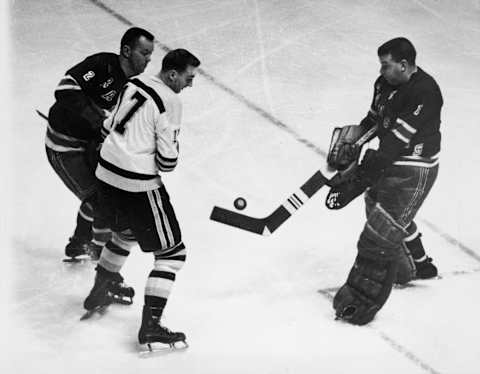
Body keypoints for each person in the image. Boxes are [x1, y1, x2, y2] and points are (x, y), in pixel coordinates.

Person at [83, 49, 201, 349]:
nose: (190, 85)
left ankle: (100, 290)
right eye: (188, 78)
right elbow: (168, 163)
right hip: (135, 184)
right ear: (172, 74)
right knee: (172, 255)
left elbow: (107, 126)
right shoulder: (170, 101)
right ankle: (151, 326)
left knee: (124, 234)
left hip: (105, 175)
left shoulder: (133, 83)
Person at [325, 37, 442, 325]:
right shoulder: (384, 84)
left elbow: (394, 143)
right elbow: (375, 119)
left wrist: (362, 175)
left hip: (414, 168)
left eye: (386, 66)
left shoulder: (426, 92)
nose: (381, 71)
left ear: (403, 65)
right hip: (389, 161)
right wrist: (356, 140)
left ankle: (361, 303)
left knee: (379, 234)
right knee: (379, 210)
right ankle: (413, 264)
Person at [45, 27, 155, 260]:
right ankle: (101, 263)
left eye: (150, 55)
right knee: (102, 204)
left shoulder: (130, 87)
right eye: (144, 53)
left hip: (88, 145)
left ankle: (80, 243)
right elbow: (65, 89)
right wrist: (97, 120)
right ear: (126, 51)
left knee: (108, 193)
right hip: (64, 149)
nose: (148, 60)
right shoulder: (101, 65)